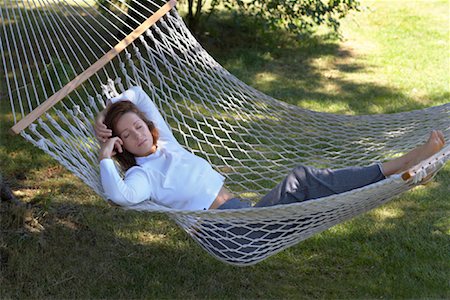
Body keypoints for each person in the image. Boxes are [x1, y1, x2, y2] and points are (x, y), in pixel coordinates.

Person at [95, 86, 445, 211]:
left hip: (243, 214)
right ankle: (403, 165)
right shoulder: (143, 174)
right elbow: (121, 195)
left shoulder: (166, 144)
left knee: (309, 187)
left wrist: (107, 116)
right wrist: (105, 154)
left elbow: (138, 95)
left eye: (138, 126)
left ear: (149, 127)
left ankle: (402, 174)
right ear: (122, 145)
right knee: (303, 181)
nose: (137, 134)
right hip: (230, 234)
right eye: (127, 135)